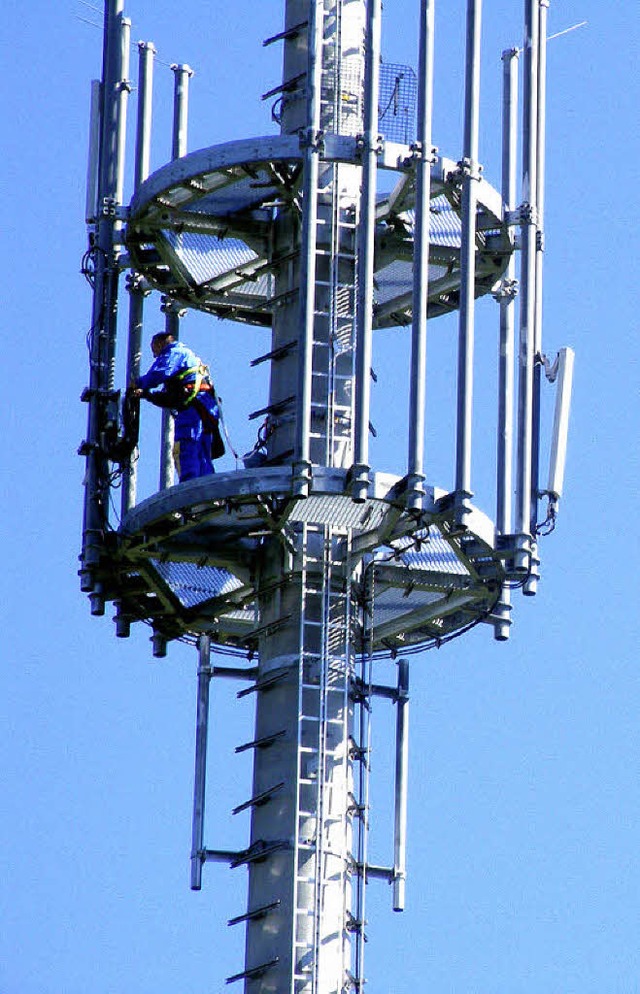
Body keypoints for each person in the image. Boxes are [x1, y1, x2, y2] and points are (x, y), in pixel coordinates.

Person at [131, 331, 223, 482]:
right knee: (202, 451)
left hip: (193, 410)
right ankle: (207, 488)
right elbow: (170, 398)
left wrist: (138, 383)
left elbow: (159, 373)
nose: (155, 356)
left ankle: (190, 487)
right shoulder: (187, 359)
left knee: (186, 447)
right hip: (204, 407)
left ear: (162, 343)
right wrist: (147, 395)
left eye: (155, 350)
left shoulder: (174, 352)